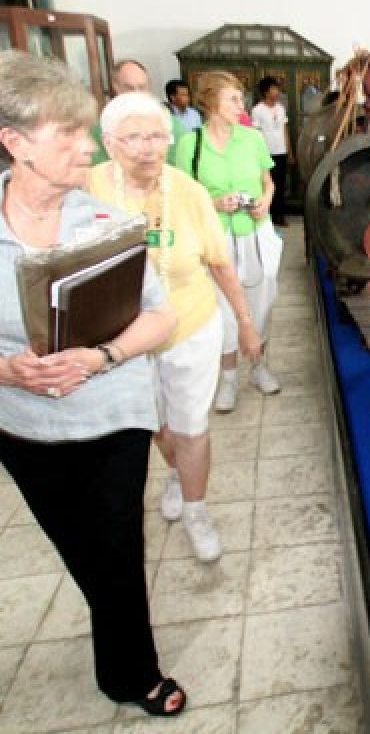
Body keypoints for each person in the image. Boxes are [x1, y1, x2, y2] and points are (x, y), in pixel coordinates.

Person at [0, 51, 186, 717]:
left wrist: (102, 356)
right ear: (14, 142)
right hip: (18, 423)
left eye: (83, 129)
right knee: (82, 548)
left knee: (118, 544)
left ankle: (132, 673)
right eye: (64, 132)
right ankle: (119, 632)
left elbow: (162, 314)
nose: (84, 144)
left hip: (110, 412)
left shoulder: (105, 222)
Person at [89, 92, 261, 562]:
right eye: (134, 138)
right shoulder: (87, 190)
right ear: (108, 142)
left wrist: (246, 323)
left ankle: (196, 508)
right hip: (120, 340)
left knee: (191, 427)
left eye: (157, 136)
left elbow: (221, 265)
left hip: (189, 328)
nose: (148, 148)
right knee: (156, 426)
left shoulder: (187, 191)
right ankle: (176, 474)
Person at [174, 71, 282, 412]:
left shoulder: (252, 139)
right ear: (210, 102)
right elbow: (184, 196)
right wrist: (216, 204)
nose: (241, 105)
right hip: (216, 235)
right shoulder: (190, 144)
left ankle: (259, 366)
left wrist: (266, 200)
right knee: (224, 309)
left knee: (261, 300)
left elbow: (268, 181)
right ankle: (229, 378)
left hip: (256, 230)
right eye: (233, 99)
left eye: (241, 98)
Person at [91, 60, 185, 165]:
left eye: (142, 87)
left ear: (149, 87)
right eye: (129, 88)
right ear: (115, 87)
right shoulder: (102, 129)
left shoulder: (172, 125)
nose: (136, 93)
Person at [251, 76, 291, 226]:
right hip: (266, 154)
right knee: (266, 185)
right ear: (266, 92)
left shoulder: (280, 108)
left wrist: (289, 150)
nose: (277, 91)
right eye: (274, 89)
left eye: (277, 88)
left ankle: (279, 215)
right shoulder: (257, 110)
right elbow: (256, 133)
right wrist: (258, 154)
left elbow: (284, 129)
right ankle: (266, 214)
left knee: (280, 185)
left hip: (281, 152)